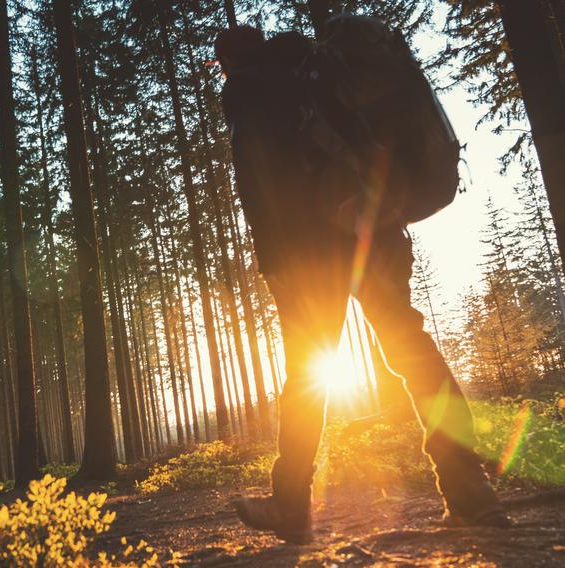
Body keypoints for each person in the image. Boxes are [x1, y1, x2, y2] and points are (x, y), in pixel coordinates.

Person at [215, 24, 511, 545]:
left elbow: (265, 186)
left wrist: (276, 264)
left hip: (310, 254)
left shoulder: (247, 93)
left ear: (227, 63)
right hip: (375, 230)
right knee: (410, 346)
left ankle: (291, 505)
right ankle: (471, 491)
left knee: (307, 376)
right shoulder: (313, 70)